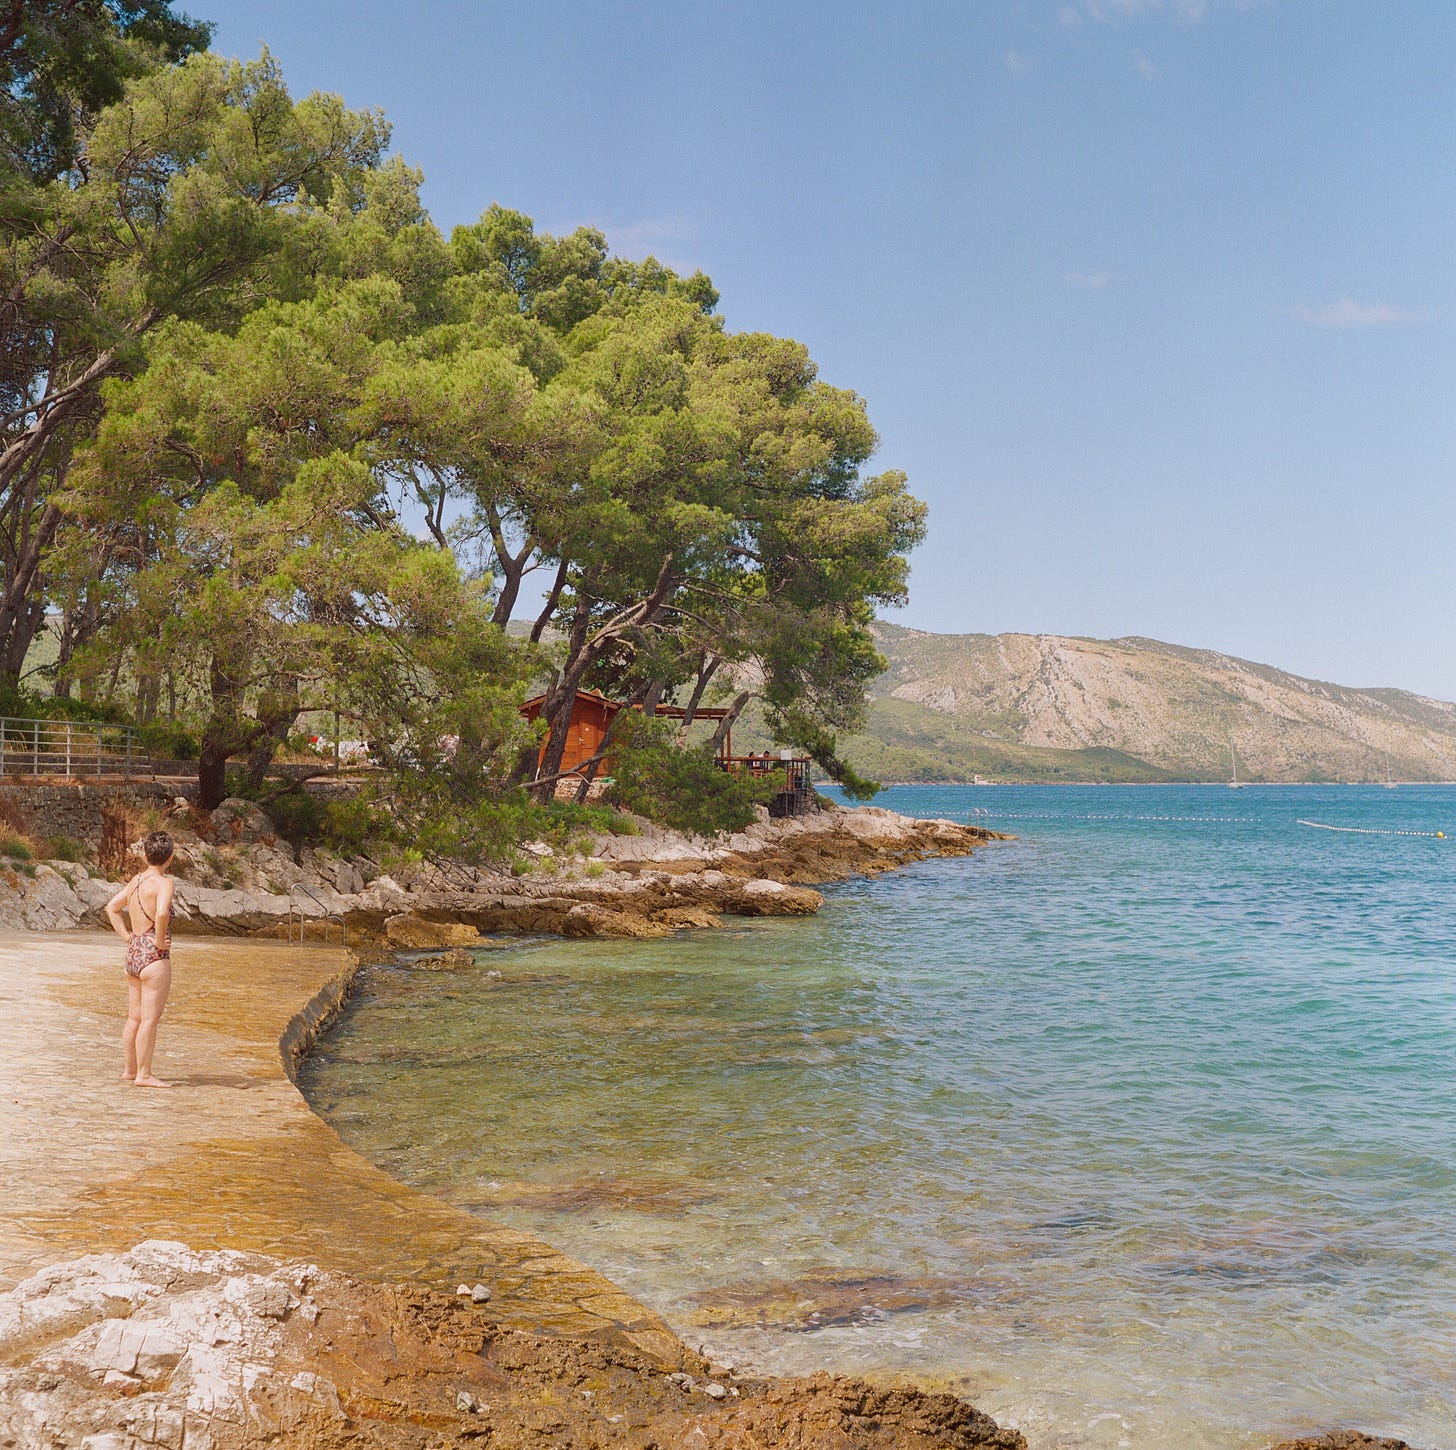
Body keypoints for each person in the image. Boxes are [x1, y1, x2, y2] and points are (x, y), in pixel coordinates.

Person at [105, 830, 177, 1089]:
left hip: (134, 953)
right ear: (170, 858)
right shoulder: (164, 883)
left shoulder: (135, 881)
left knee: (133, 1017)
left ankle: (130, 1069)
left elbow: (112, 908)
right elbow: (162, 914)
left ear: (146, 855)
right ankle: (144, 1075)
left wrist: (127, 936)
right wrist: (159, 941)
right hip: (153, 957)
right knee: (149, 1019)